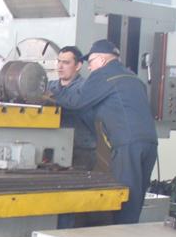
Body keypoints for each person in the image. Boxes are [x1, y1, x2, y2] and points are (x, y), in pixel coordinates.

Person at [49, 39, 157, 224]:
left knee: (124, 196)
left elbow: (77, 102)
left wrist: (49, 95)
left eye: (91, 62)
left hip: (127, 145)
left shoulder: (103, 75)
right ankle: (130, 234)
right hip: (150, 143)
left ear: (102, 60)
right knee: (136, 197)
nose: (90, 68)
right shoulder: (133, 77)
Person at [48, 46, 97, 228]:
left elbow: (75, 104)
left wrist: (48, 99)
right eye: (59, 62)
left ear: (78, 66)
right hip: (55, 149)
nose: (60, 66)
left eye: (66, 62)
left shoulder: (86, 88)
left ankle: (63, 236)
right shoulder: (51, 86)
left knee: (68, 199)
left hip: (80, 150)